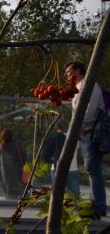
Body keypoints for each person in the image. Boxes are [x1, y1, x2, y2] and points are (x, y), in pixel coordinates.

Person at [65, 61, 106, 218]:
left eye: (69, 72)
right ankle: (95, 205)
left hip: (91, 132)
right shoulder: (78, 88)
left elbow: (91, 108)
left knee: (93, 169)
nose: (67, 75)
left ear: (78, 70)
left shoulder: (89, 86)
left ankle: (98, 207)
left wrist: (80, 126)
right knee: (92, 169)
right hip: (85, 132)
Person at [42, 121, 80, 195]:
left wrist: (52, 160)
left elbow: (45, 155)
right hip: (72, 169)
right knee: (74, 195)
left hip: (56, 168)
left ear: (57, 128)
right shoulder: (75, 138)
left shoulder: (54, 138)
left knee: (57, 194)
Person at [0, 128, 26, 200]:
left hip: (5, 175)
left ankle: (9, 201)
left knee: (9, 194)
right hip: (18, 173)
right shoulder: (17, 145)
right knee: (20, 192)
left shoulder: (0, 147)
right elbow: (24, 157)